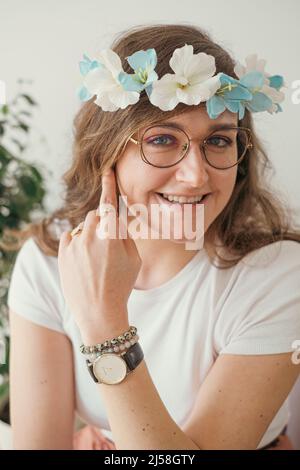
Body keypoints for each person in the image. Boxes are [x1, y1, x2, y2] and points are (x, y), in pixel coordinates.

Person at [4, 23, 300, 450]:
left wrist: (106, 322)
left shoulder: (277, 276)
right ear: (107, 154)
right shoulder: (50, 260)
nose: (197, 174)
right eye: (162, 139)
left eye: (218, 140)